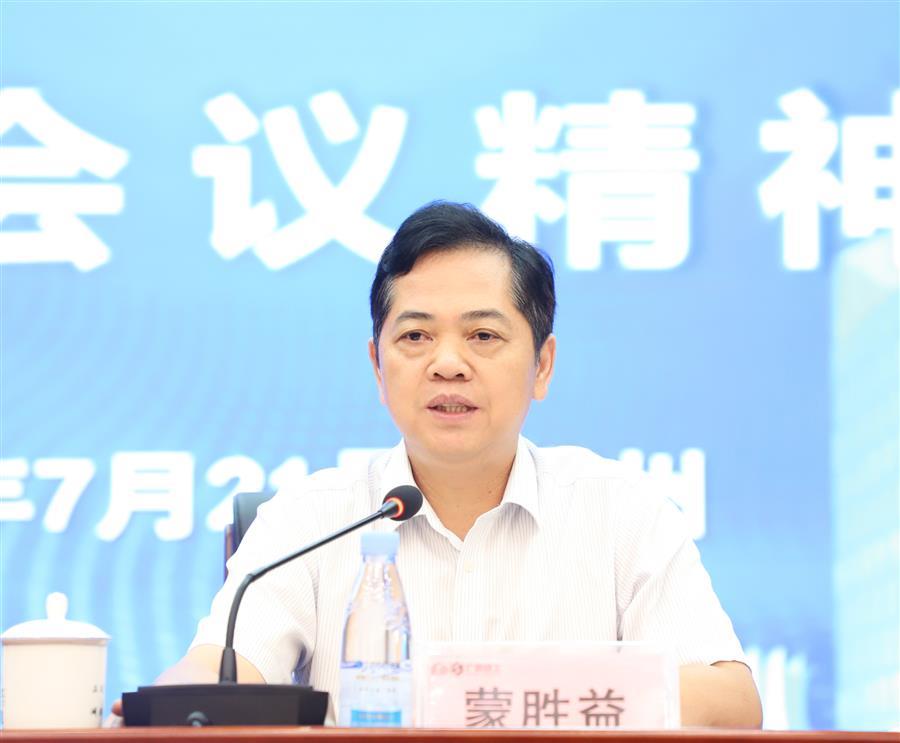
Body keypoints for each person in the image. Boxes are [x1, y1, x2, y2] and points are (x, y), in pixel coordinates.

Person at [113, 201, 761, 727]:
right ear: (378, 365)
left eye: (483, 335)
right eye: (415, 336)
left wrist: (508, 695)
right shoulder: (309, 519)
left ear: (542, 365)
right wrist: (164, 706)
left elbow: (731, 703)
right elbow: (223, 671)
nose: (447, 363)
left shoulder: (622, 512)